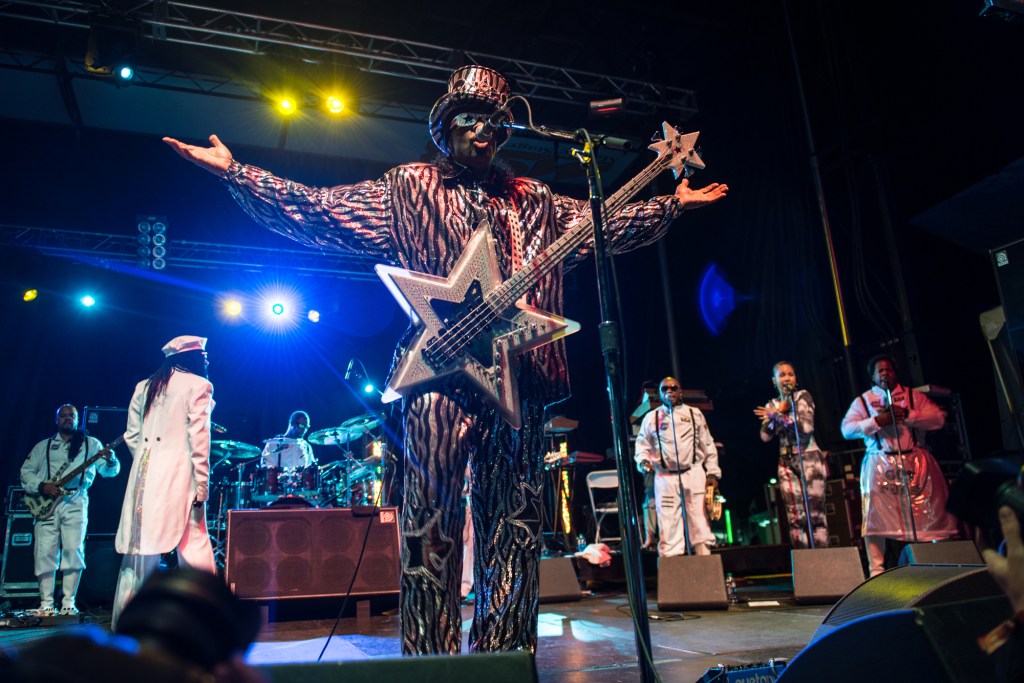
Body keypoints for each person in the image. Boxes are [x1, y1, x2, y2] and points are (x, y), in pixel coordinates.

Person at [163, 64, 728, 654]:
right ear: (446, 126)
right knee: (430, 521)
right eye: (469, 117)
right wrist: (239, 173)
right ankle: (431, 662)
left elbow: (602, 224)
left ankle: (503, 660)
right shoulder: (409, 188)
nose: (481, 130)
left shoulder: (533, 200)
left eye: (493, 121)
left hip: (518, 374)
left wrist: (670, 204)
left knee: (514, 525)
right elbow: (321, 209)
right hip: (437, 375)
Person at [112, 335, 218, 629]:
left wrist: (151, 460)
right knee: (194, 546)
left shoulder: (144, 386)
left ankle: (125, 627)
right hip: (181, 476)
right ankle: (208, 621)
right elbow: (199, 439)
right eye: (203, 355)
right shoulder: (199, 385)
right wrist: (202, 484)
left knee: (139, 553)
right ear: (191, 357)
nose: (207, 360)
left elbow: (131, 436)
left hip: (144, 475)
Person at [840, 354, 957, 576]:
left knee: (932, 513)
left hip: (916, 462)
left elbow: (937, 419)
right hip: (880, 464)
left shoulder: (912, 396)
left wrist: (909, 415)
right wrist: (876, 421)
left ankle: (943, 565)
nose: (885, 374)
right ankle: (876, 570)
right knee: (876, 519)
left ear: (896, 373)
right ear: (873, 376)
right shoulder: (863, 401)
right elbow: (847, 430)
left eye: (889, 370)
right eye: (880, 371)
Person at [19, 404, 120, 616]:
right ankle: (46, 603)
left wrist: (111, 460)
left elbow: (109, 472)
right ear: (57, 420)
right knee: (45, 552)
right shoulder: (43, 446)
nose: (67, 419)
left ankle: (68, 602)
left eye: (71, 416)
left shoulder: (91, 444)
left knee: (74, 549)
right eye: (63, 416)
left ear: (78, 419)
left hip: (76, 499)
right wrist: (42, 486)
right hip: (47, 502)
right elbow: (26, 472)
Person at [634, 377, 722, 556]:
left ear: (680, 392)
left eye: (673, 388)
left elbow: (708, 444)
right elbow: (642, 445)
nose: (669, 391)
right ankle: (672, 563)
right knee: (668, 523)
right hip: (665, 476)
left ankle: (704, 561)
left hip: (693, 473)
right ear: (659, 394)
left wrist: (712, 473)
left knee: (699, 520)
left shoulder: (694, 414)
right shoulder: (652, 417)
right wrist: (643, 462)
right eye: (664, 389)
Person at [753, 361, 829, 549]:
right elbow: (765, 437)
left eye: (790, 374)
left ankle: (823, 559)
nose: (787, 378)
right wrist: (772, 418)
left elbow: (806, 427)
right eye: (782, 375)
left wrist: (778, 415)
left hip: (808, 457)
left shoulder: (802, 396)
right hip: (785, 461)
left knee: (816, 515)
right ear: (774, 381)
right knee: (795, 517)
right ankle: (803, 560)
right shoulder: (772, 404)